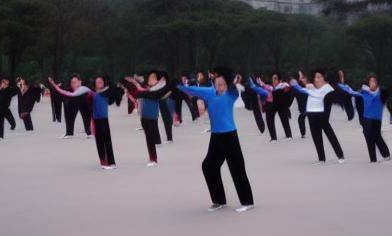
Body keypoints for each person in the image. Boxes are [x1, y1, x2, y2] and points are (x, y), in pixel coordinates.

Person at [177, 68, 254, 213]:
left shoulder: (231, 94)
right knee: (208, 166)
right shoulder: (210, 93)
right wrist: (177, 86)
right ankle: (219, 200)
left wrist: (235, 79)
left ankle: (247, 201)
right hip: (216, 137)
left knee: (237, 169)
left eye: (222, 84)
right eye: (217, 84)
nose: (219, 87)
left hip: (230, 136)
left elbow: (234, 84)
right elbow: (192, 90)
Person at [50, 76, 123, 169]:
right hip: (96, 121)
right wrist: (55, 86)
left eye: (101, 81)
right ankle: (104, 163)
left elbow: (115, 97)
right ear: (95, 84)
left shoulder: (106, 92)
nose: (100, 83)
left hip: (105, 120)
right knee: (100, 142)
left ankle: (111, 162)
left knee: (108, 141)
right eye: (98, 82)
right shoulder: (89, 92)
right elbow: (70, 94)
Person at [290, 69, 345, 164]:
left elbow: (336, 94)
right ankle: (321, 159)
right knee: (316, 136)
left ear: (323, 78)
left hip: (322, 115)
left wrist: (341, 79)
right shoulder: (310, 86)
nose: (317, 79)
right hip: (311, 114)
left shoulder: (328, 88)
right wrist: (297, 83)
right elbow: (301, 88)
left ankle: (340, 155)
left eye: (320, 77)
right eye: (316, 77)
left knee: (330, 135)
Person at [338, 71, 391, 163]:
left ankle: (386, 155)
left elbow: (387, 91)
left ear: (377, 82)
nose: (373, 83)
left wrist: (380, 88)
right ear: (368, 83)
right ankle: (373, 159)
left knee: (377, 136)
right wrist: (341, 82)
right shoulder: (363, 93)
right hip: (366, 119)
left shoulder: (381, 93)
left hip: (376, 119)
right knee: (369, 137)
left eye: (374, 81)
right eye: (371, 81)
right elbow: (349, 91)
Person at [125, 72, 170, 166]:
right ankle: (153, 157)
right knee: (149, 137)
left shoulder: (157, 90)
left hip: (153, 116)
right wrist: (134, 82)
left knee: (151, 135)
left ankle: (154, 158)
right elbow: (139, 90)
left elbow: (164, 94)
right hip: (144, 116)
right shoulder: (145, 88)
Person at [248, 74, 293, 142]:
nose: (273, 80)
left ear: (279, 80)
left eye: (275, 78)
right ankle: (273, 138)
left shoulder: (283, 85)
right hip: (274, 104)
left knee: (284, 118)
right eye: (273, 79)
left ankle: (289, 135)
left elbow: (287, 88)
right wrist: (262, 84)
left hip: (282, 105)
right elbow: (267, 88)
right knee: (269, 117)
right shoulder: (272, 87)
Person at [52, 74, 92, 139]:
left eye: (75, 82)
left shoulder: (85, 90)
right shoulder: (69, 90)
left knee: (87, 115)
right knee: (68, 111)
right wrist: (56, 88)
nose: (73, 84)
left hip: (84, 102)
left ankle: (89, 132)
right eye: (72, 83)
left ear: (80, 82)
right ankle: (69, 133)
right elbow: (59, 94)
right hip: (72, 103)